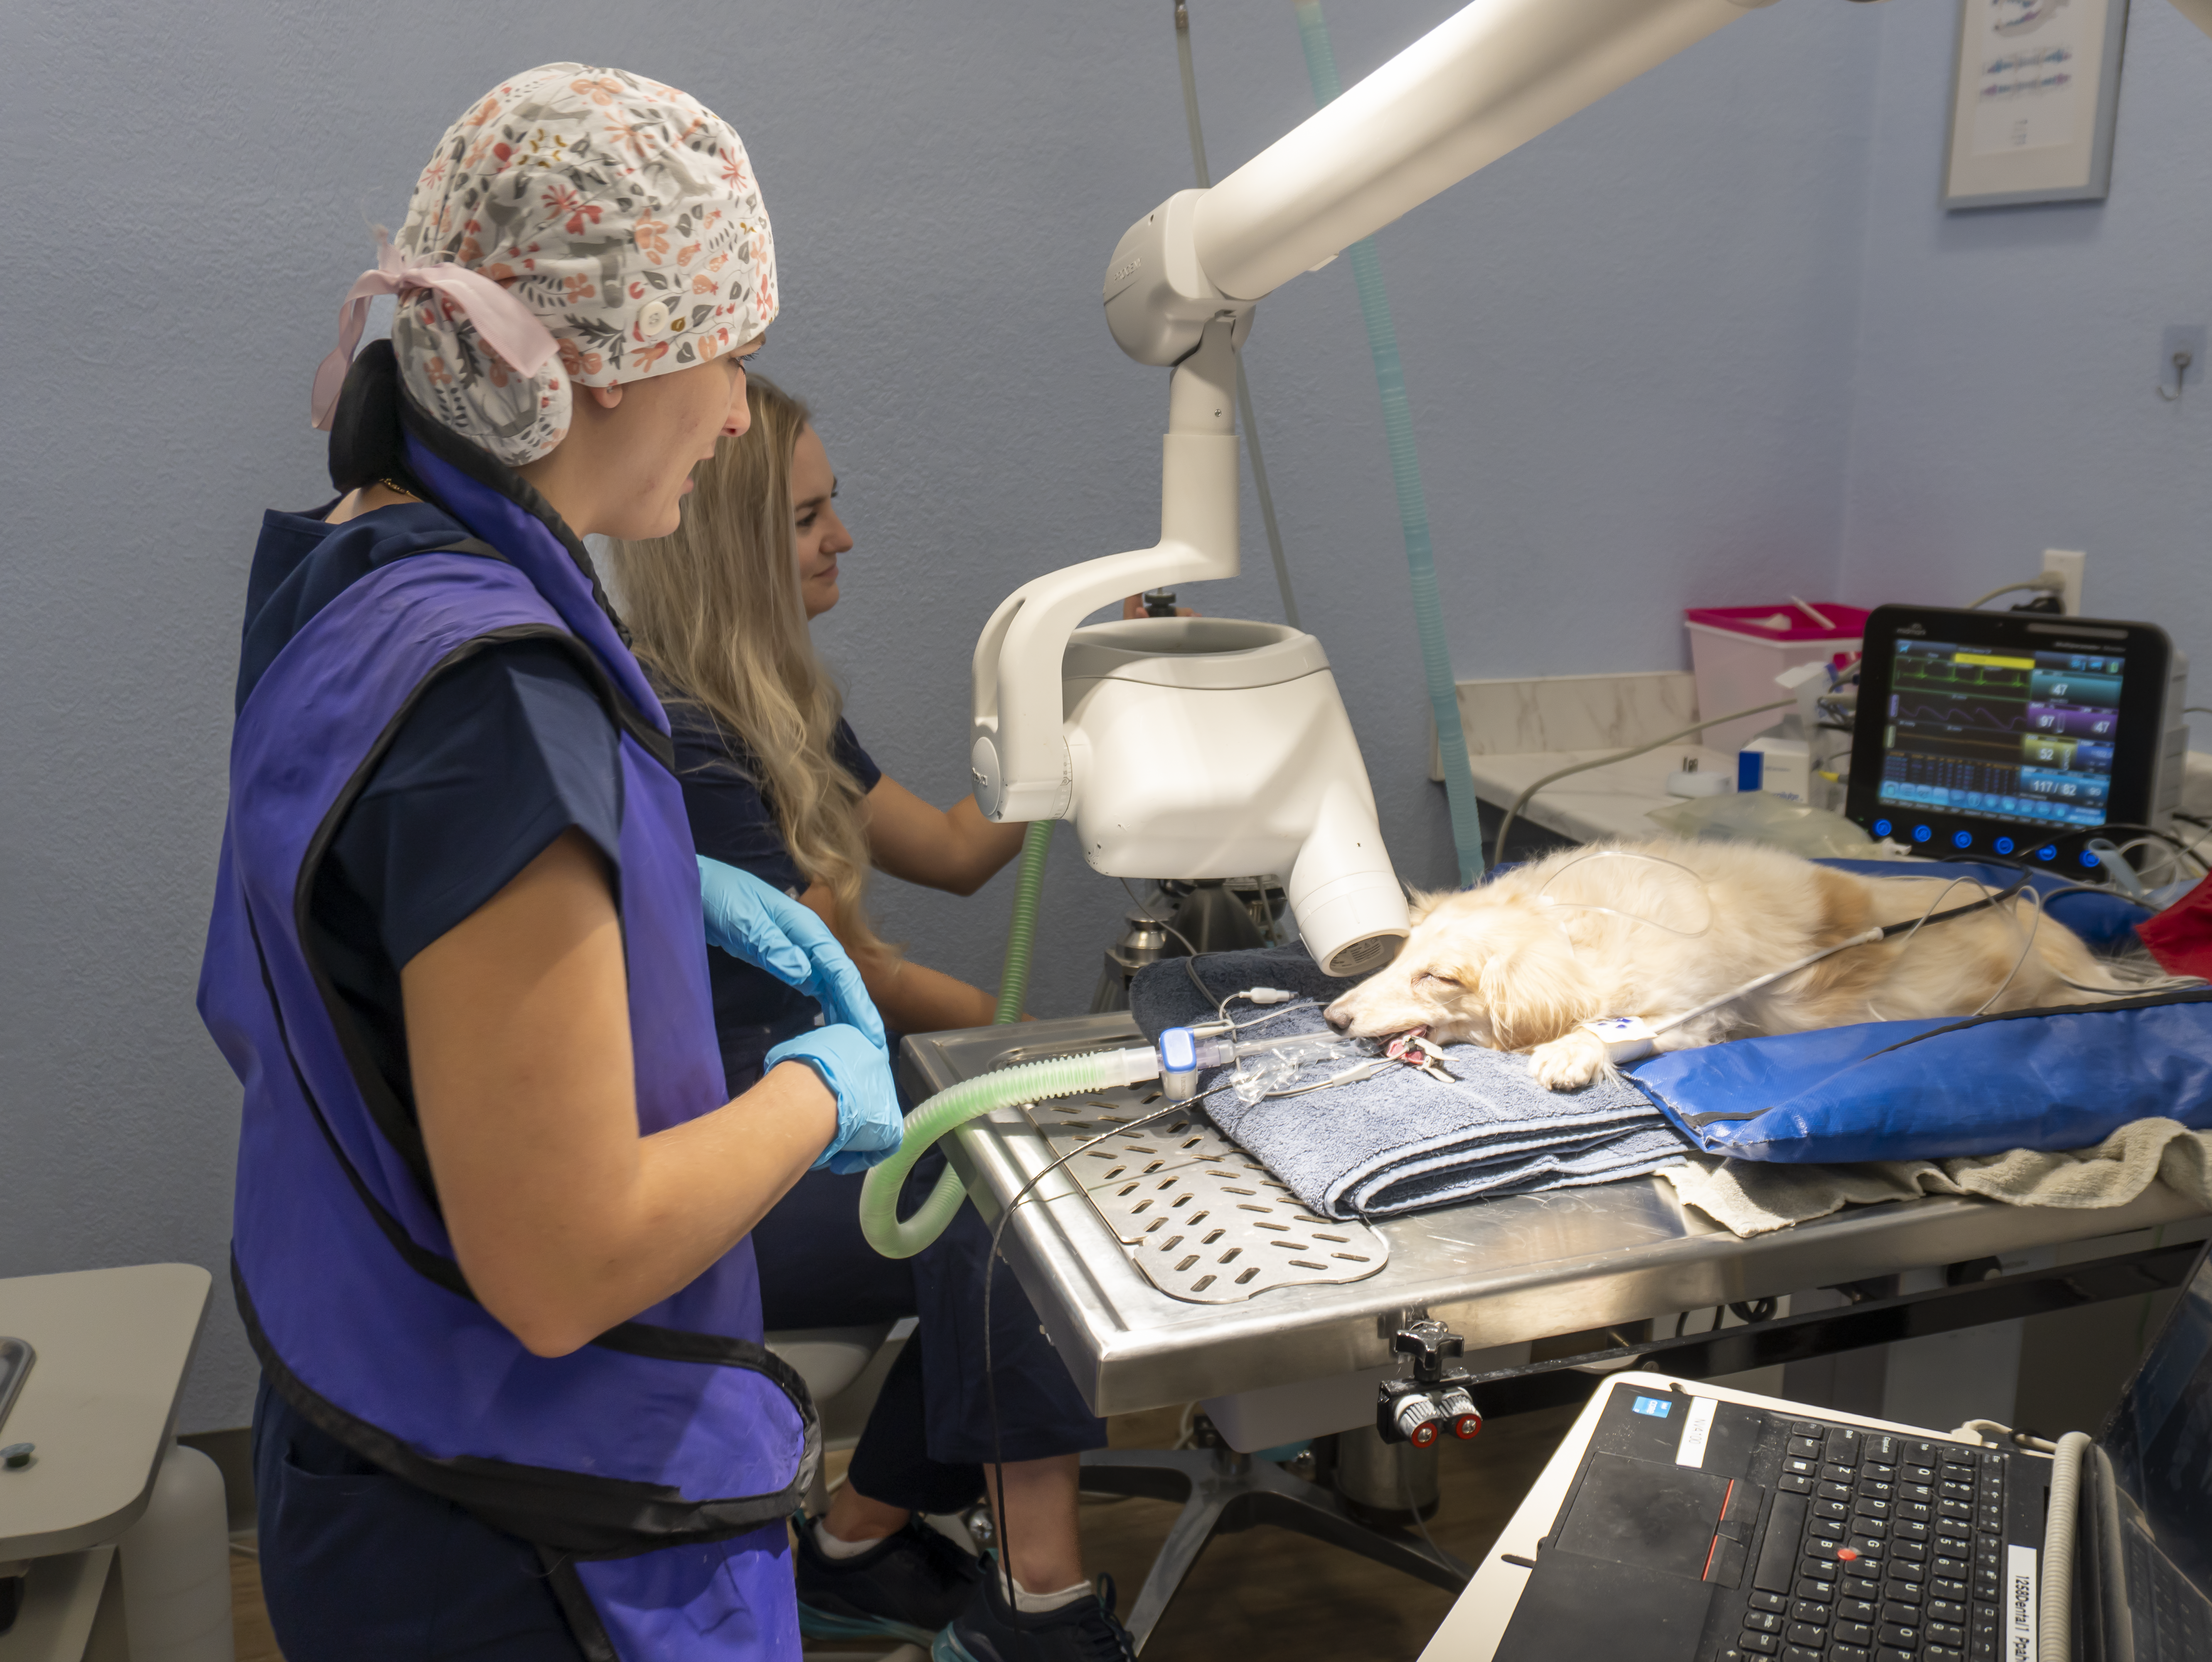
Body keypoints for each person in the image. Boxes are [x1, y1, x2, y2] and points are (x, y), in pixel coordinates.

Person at [199, 66, 904, 1660]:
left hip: (368, 1422)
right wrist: (817, 1094)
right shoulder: (500, 699)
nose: (736, 414)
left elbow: (372, 940)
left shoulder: (359, 564)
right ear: (592, 368)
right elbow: (562, 1266)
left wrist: (628, 884)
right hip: (523, 1539)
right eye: (726, 355)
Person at [604, 379, 1136, 1662]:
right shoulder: (683, 739)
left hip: (826, 1111)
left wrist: (1082, 698)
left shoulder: (781, 705)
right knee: (1023, 1219)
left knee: (1017, 1174)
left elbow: (957, 854)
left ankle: (854, 1537)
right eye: (805, 518)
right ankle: (1035, 1607)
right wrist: (1033, 1045)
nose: (841, 537)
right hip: (731, 1160)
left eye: (832, 507)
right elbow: (868, 980)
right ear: (727, 541)